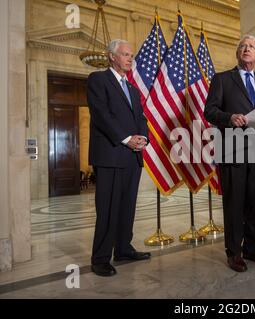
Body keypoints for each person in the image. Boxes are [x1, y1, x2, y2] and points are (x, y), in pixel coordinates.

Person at [204, 35, 255, 272]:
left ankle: (253, 248)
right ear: (238, 53)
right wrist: (229, 117)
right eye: (243, 46)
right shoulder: (222, 79)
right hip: (232, 149)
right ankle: (234, 252)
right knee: (235, 203)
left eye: (251, 47)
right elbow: (209, 111)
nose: (246, 49)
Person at [87, 39, 151, 277]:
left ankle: (123, 248)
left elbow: (141, 118)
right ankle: (100, 257)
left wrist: (143, 138)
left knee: (127, 207)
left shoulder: (133, 89)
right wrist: (126, 139)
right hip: (110, 155)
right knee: (108, 208)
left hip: (133, 157)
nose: (130, 58)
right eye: (125, 54)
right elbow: (101, 115)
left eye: (131, 55)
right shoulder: (98, 79)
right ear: (111, 56)